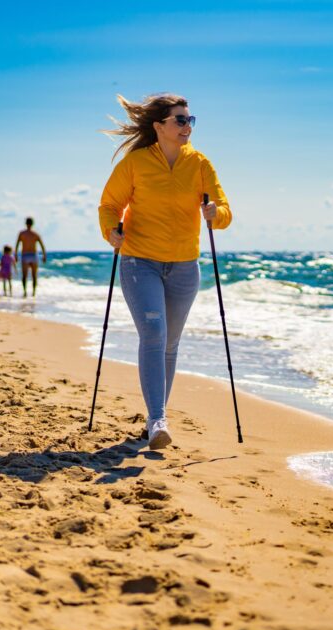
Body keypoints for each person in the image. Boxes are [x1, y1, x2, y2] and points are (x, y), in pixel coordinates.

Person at [99, 92, 232, 450]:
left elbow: (224, 210)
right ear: (159, 126)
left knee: (170, 344)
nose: (187, 126)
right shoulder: (136, 163)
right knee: (154, 334)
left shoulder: (200, 164)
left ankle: (155, 417)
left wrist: (214, 214)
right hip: (139, 261)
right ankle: (158, 419)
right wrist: (111, 229)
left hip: (185, 268)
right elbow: (110, 204)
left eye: (190, 120)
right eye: (180, 120)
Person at [14, 217, 46, 297]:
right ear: (32, 224)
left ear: (26, 223)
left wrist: (16, 255)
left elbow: (17, 245)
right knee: (32, 275)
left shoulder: (23, 233)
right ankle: (32, 293)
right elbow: (42, 246)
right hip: (32, 255)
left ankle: (27, 292)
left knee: (28, 275)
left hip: (26, 255)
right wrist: (44, 255)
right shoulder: (34, 234)